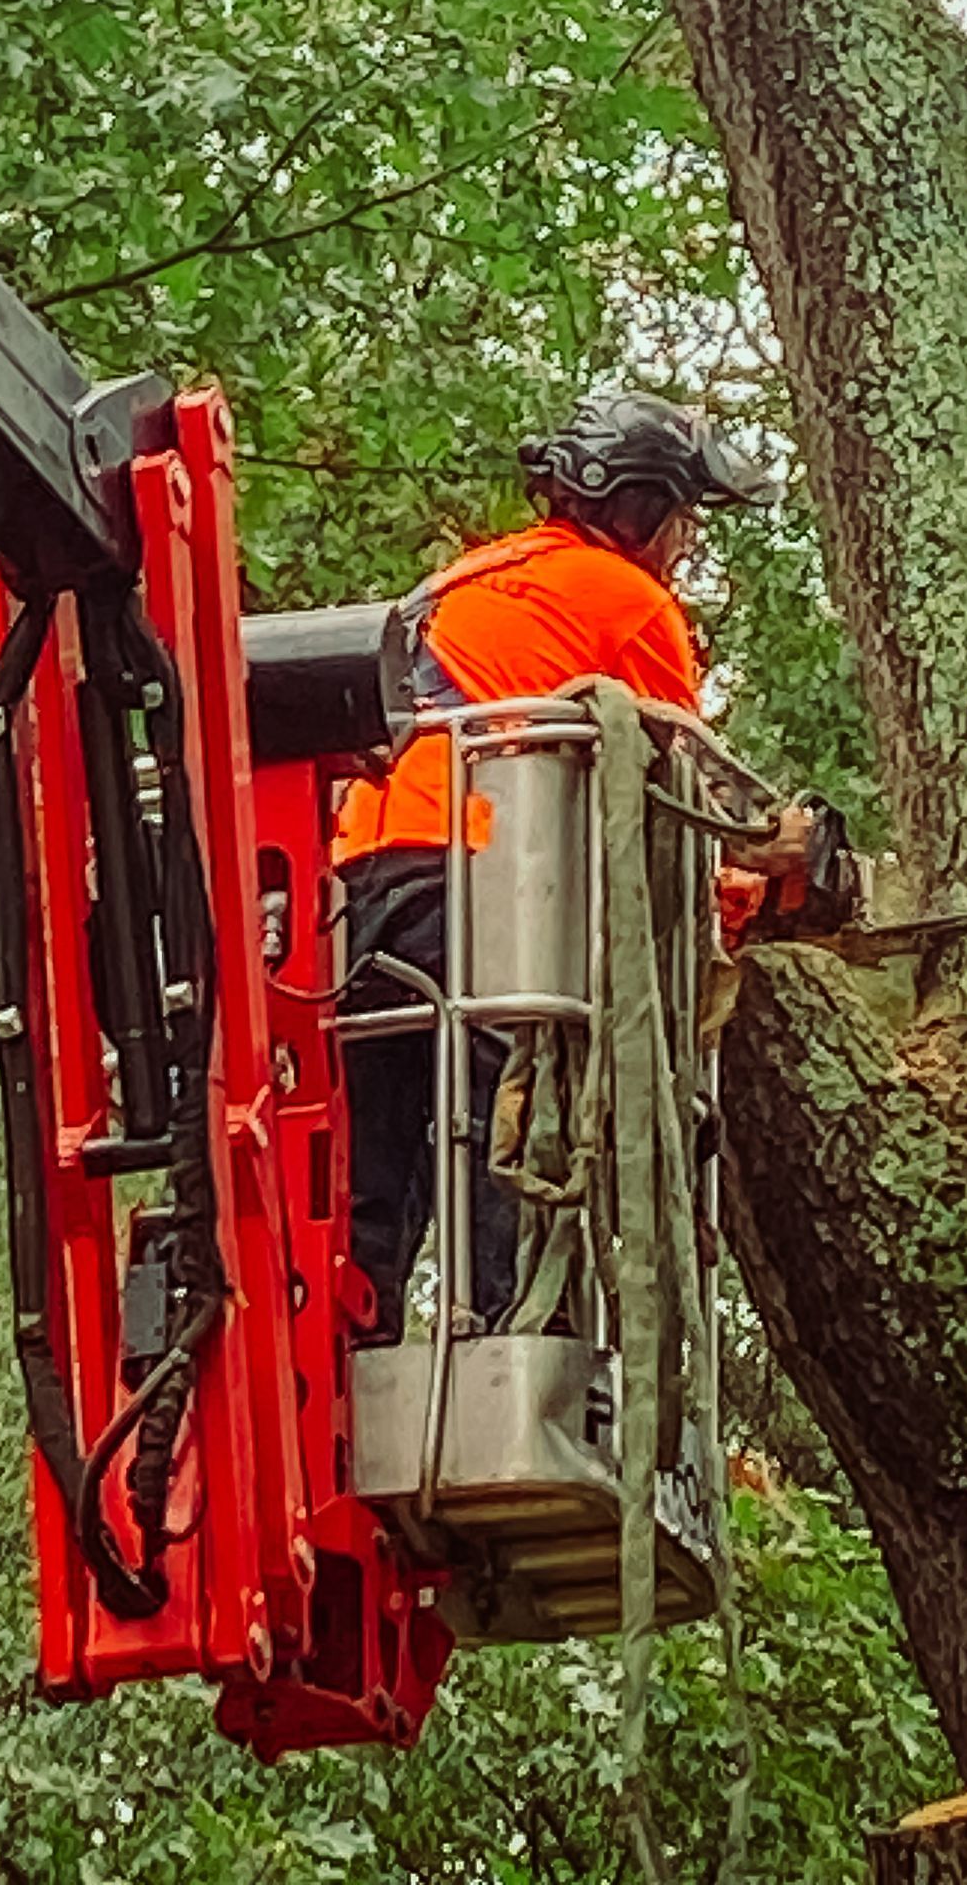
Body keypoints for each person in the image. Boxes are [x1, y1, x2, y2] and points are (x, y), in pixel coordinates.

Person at [333, 390, 808, 1346]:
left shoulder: (461, 582)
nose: (683, 544)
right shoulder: (630, 604)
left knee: (372, 1153)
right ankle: (516, 1338)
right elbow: (682, 798)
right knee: (514, 1119)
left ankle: (353, 1349)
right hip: (480, 874)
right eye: (681, 520)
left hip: (356, 883)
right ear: (641, 512)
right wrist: (768, 870)